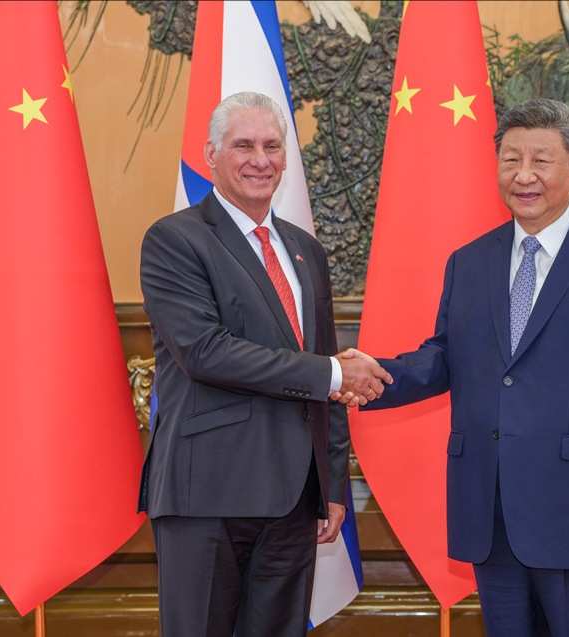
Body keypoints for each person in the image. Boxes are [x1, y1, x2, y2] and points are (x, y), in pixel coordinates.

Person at [338, 98, 569, 636]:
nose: (524, 175)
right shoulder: (470, 262)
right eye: (511, 159)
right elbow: (444, 358)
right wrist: (371, 373)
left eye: (541, 160)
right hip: (491, 511)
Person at [138, 91, 392, 637]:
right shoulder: (175, 240)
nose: (261, 160)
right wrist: (332, 373)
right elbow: (205, 351)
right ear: (211, 154)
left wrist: (331, 483)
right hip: (207, 494)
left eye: (273, 146)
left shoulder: (305, 250)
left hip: (294, 497)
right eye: (244, 145)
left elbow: (326, 365)